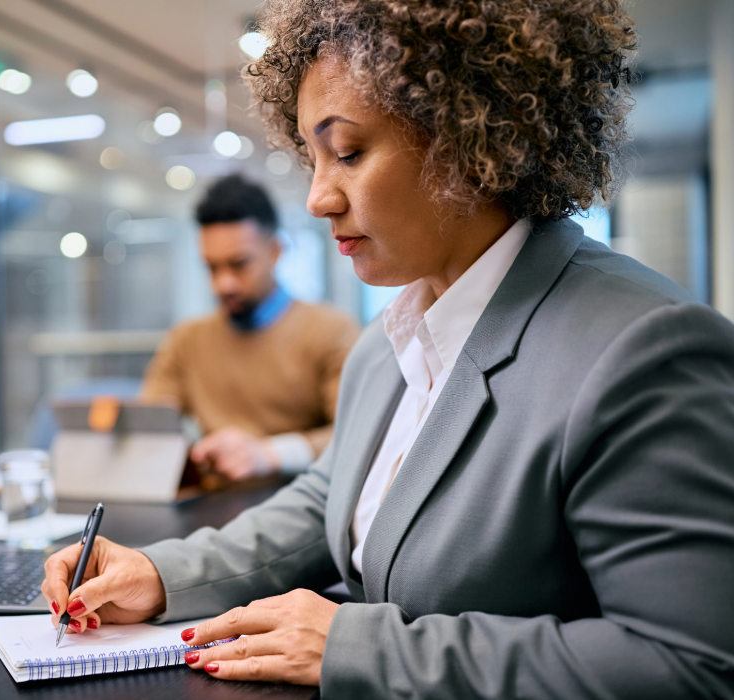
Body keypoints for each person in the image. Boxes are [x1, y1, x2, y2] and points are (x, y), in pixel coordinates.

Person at [40, 0, 734, 697]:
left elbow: (686, 665)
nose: (317, 198)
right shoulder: (389, 342)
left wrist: (363, 646)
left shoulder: (644, 351)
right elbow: (327, 501)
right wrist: (164, 576)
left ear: (471, 136)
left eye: (347, 153)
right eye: (310, 158)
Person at [140, 174, 359, 480]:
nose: (223, 284)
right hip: (213, 504)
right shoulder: (186, 340)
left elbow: (360, 437)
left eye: (239, 264)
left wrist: (271, 454)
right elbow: (150, 427)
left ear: (275, 252)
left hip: (301, 506)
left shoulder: (331, 332)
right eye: (212, 267)